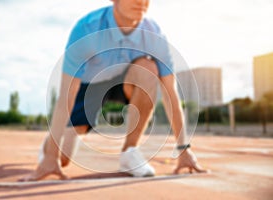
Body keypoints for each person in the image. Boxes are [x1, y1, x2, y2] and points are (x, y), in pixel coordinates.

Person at [20, 0, 207, 181]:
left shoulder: (154, 35)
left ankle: (129, 152)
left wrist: (184, 149)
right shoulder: (86, 30)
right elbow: (66, 95)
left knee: (148, 68)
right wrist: (51, 155)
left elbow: (170, 92)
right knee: (63, 158)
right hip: (88, 87)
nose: (141, 1)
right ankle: (51, 145)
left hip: (124, 81)